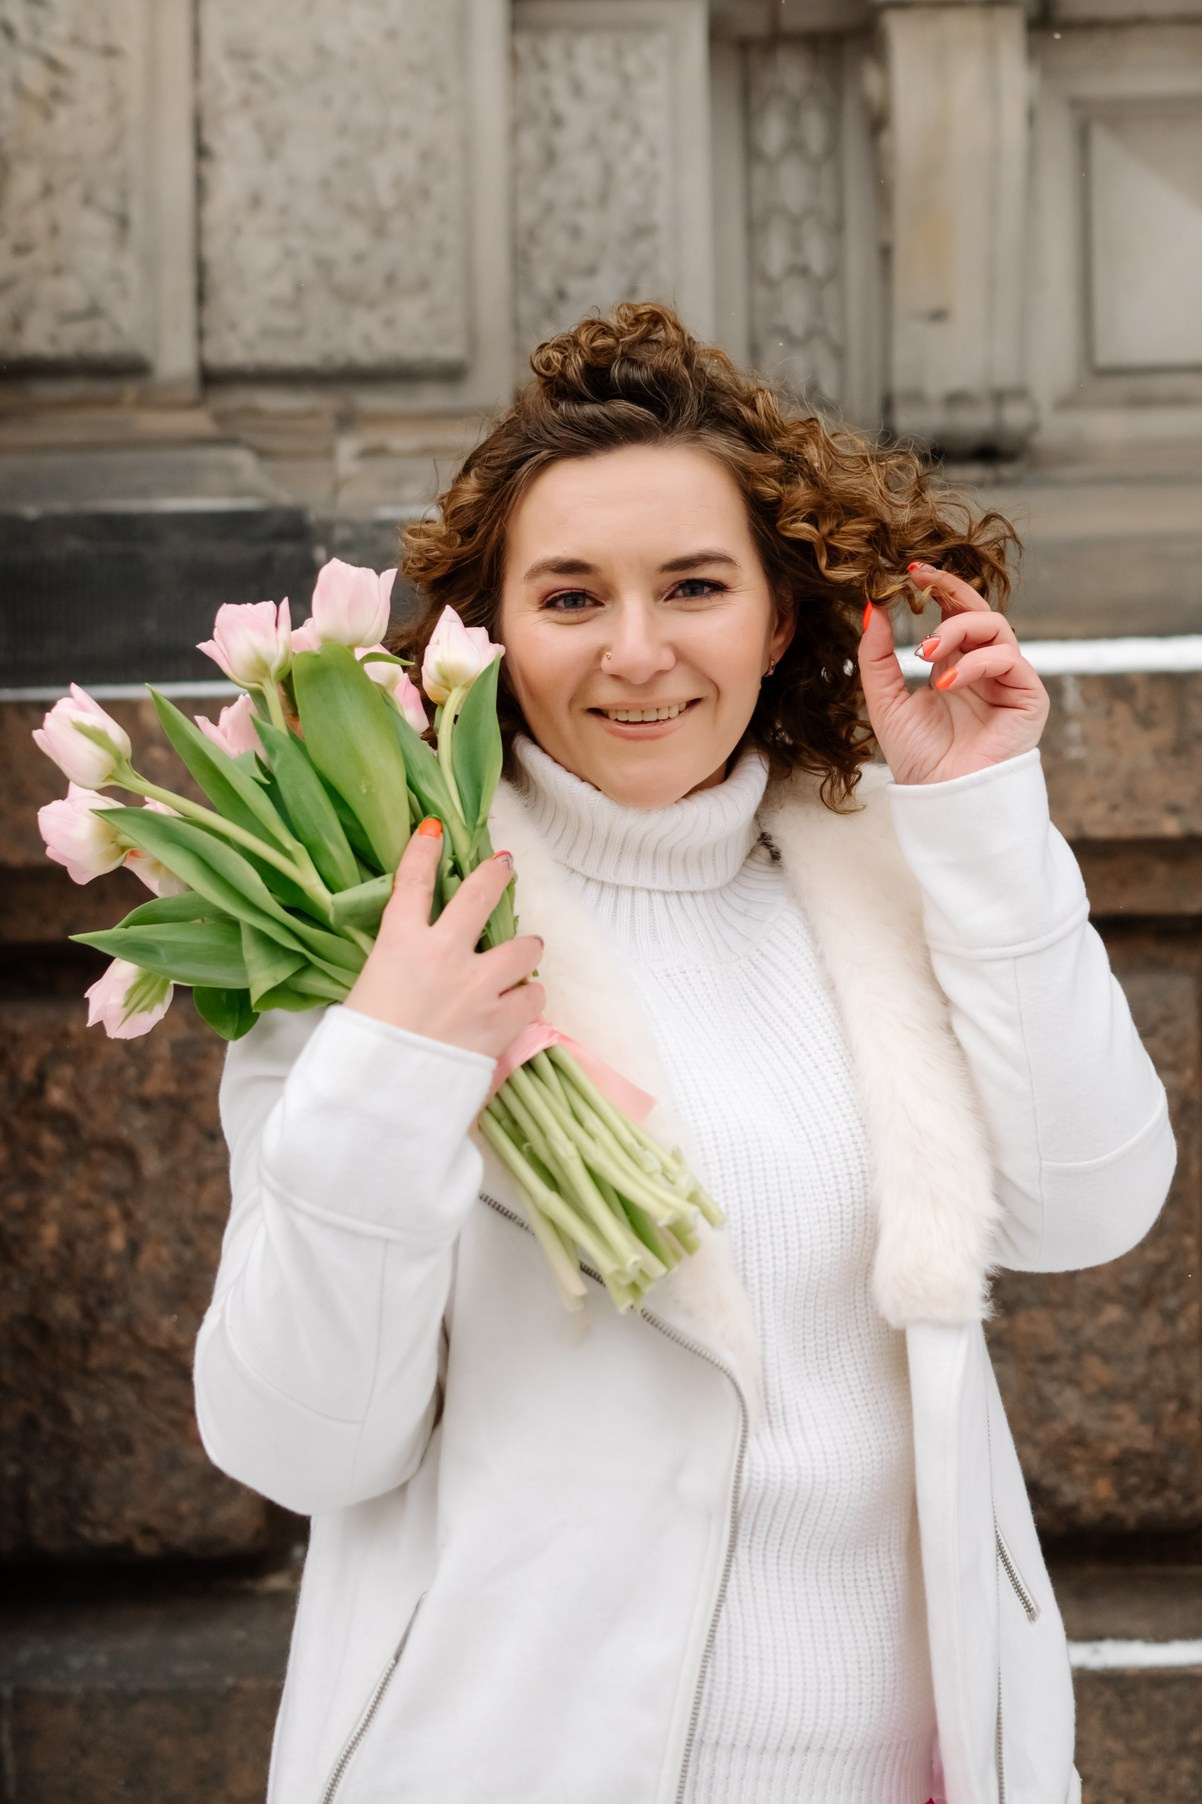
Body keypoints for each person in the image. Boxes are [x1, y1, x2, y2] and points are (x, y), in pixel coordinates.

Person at [194, 303, 1175, 1804]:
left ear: (775, 618)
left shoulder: (877, 884)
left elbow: (1091, 1204)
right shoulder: (387, 943)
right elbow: (301, 1444)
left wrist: (980, 820)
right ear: (491, 630)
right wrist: (392, 1062)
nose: (636, 653)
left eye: (694, 587)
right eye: (572, 596)